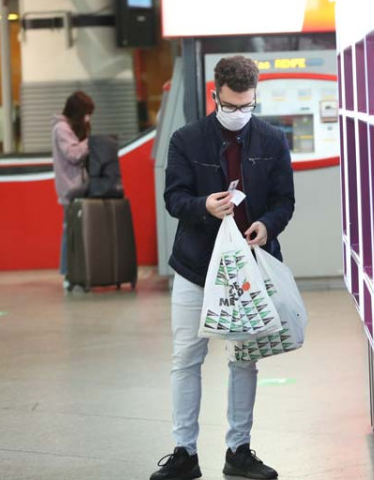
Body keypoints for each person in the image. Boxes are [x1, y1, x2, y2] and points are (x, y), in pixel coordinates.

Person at [152, 56, 294, 480]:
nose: (239, 115)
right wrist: (204, 207)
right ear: (215, 96)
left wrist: (266, 226)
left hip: (249, 268)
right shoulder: (186, 139)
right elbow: (174, 198)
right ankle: (184, 453)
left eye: (247, 106)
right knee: (186, 358)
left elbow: (285, 201)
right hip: (196, 266)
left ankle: (239, 450)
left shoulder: (271, 140)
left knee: (245, 359)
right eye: (230, 107)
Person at [51, 91, 92, 290]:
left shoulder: (69, 128)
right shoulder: (62, 128)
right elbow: (73, 153)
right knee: (70, 232)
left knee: (75, 231)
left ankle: (76, 271)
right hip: (70, 189)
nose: (88, 118)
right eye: (86, 113)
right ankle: (67, 272)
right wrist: (90, 142)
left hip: (77, 187)